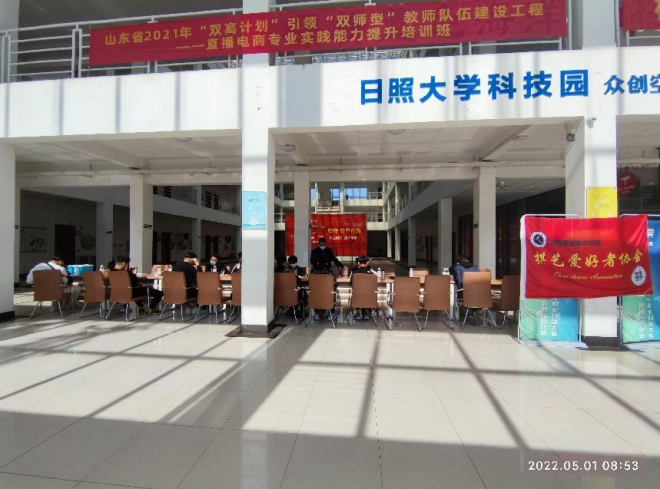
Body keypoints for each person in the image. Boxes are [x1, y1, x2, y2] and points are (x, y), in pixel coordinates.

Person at [350, 255, 376, 321]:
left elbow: (351, 283)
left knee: (358, 293)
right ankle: (366, 312)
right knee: (366, 294)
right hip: (368, 295)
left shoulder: (354, 272)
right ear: (367, 262)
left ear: (358, 263)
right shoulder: (371, 274)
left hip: (357, 295)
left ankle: (358, 312)